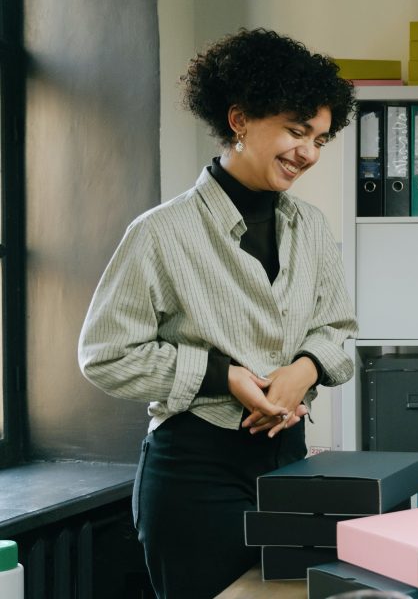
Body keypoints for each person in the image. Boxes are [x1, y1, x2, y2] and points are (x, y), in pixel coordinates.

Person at [78, 29, 358, 598]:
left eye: (321, 139)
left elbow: (338, 330)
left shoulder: (312, 227)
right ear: (239, 119)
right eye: (296, 131)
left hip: (289, 464)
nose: (308, 152)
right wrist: (223, 376)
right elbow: (105, 355)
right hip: (194, 472)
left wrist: (303, 370)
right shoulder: (160, 232)